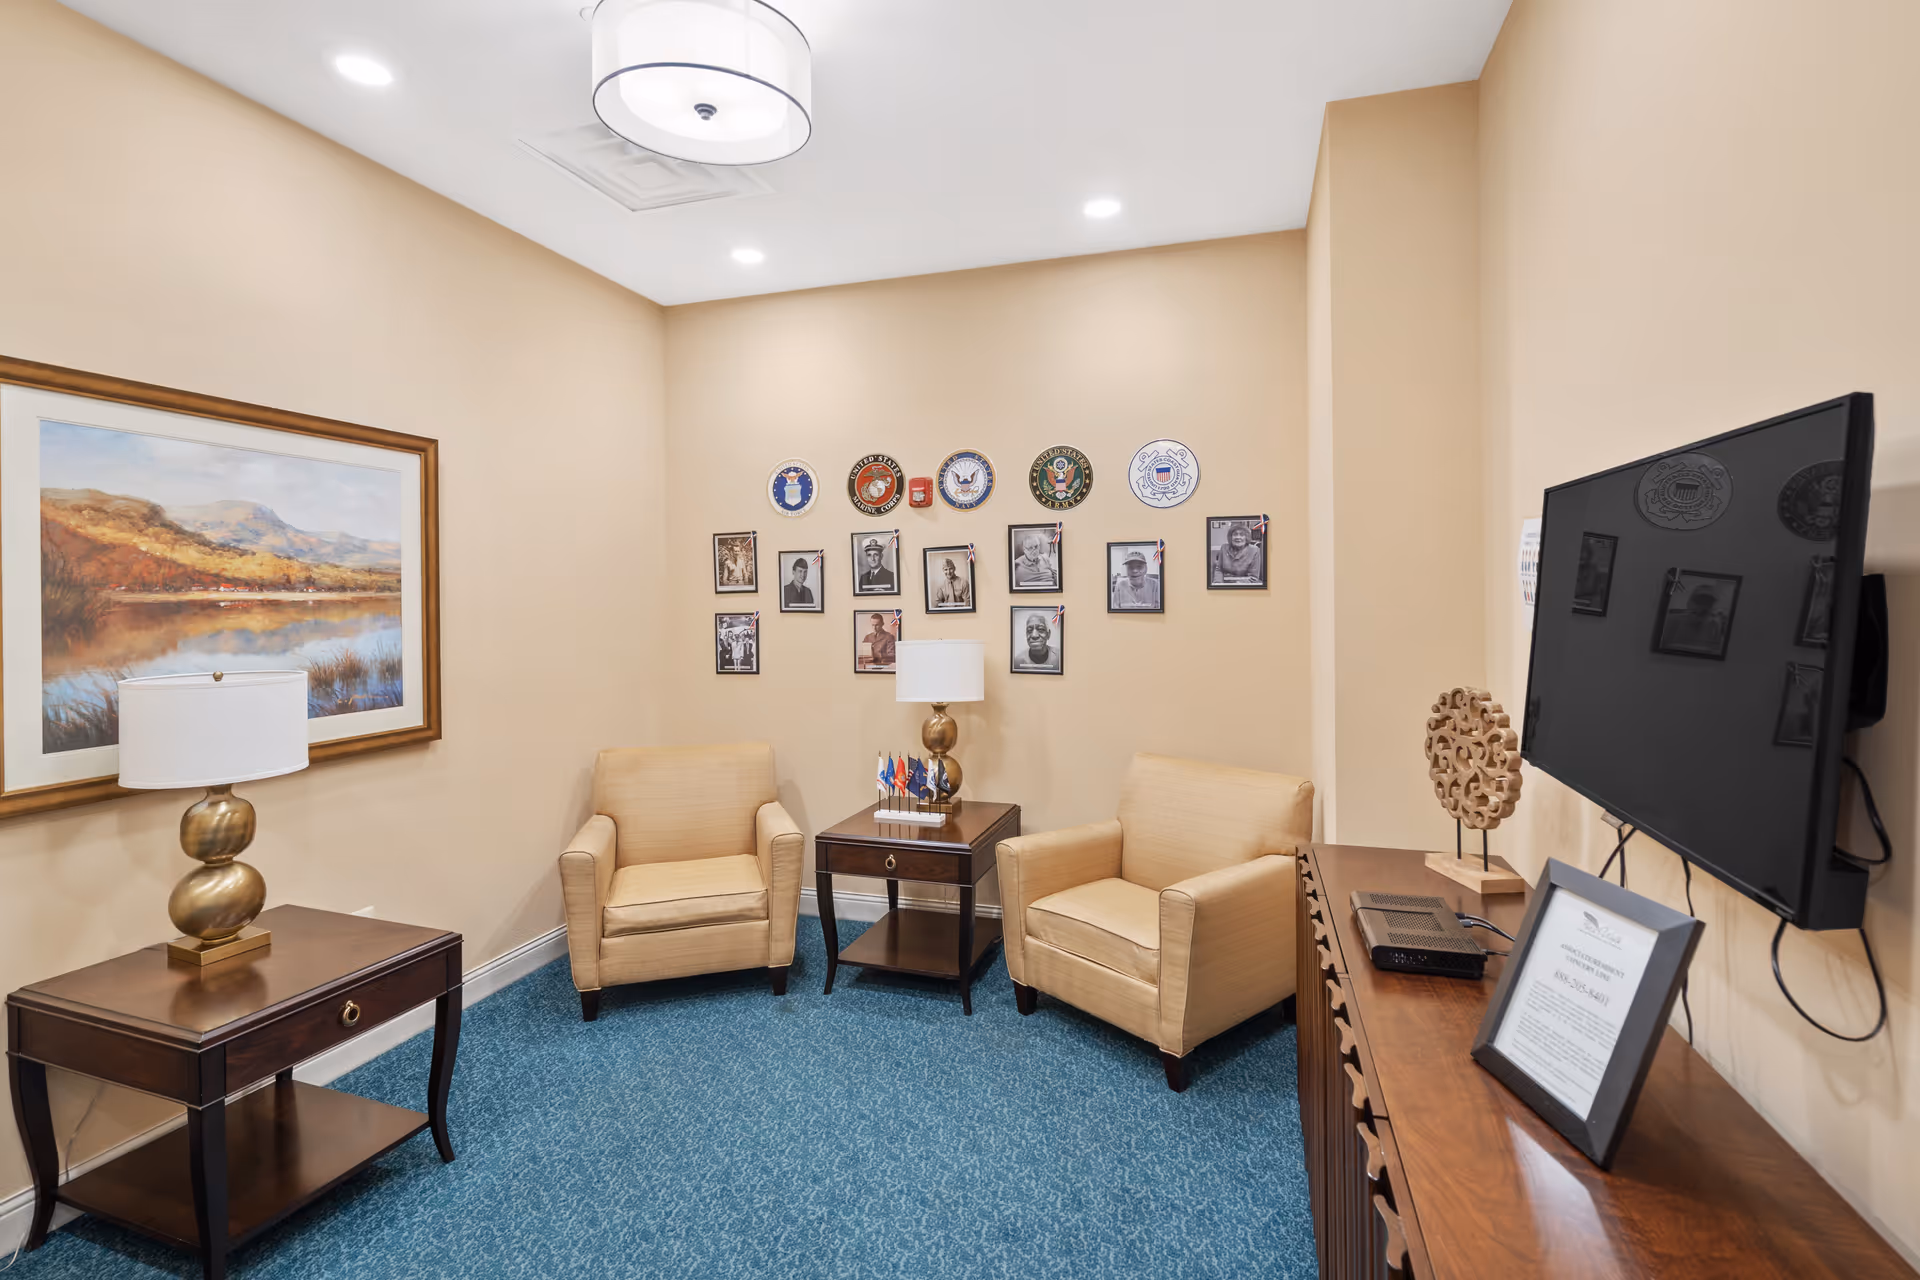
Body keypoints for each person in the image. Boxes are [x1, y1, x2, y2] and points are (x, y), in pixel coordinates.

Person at [1663, 583, 1728, 654]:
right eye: (1700, 601)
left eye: (1708, 602)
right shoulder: (1673, 621)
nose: (1704, 606)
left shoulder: (1714, 626)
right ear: (1690, 603)